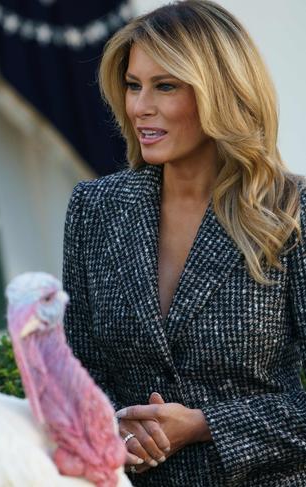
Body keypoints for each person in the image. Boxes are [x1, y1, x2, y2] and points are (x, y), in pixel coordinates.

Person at [63, 1, 306, 485]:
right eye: (133, 85)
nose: (139, 107)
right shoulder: (95, 209)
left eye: (165, 86)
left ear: (219, 91)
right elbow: (77, 368)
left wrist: (203, 425)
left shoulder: (291, 210)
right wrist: (116, 423)